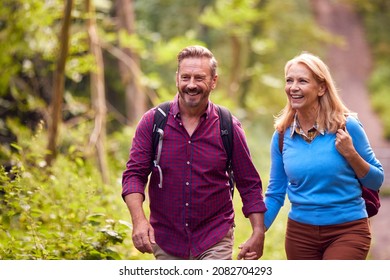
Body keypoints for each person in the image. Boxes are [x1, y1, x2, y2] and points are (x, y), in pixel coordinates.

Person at [121, 45, 267, 260]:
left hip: (215, 237)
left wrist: (258, 231)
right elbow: (134, 175)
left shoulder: (227, 126)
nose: (191, 85)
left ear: (214, 81)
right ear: (177, 78)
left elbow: (249, 183)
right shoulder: (153, 122)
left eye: (199, 78)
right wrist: (139, 220)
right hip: (166, 239)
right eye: (186, 77)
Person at [264, 52, 384, 260]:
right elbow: (275, 192)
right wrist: (258, 232)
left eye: (302, 81)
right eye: (289, 81)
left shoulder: (347, 127)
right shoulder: (282, 135)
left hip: (348, 230)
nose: (293, 87)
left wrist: (351, 154)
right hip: (300, 234)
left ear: (321, 88)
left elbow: (376, 180)